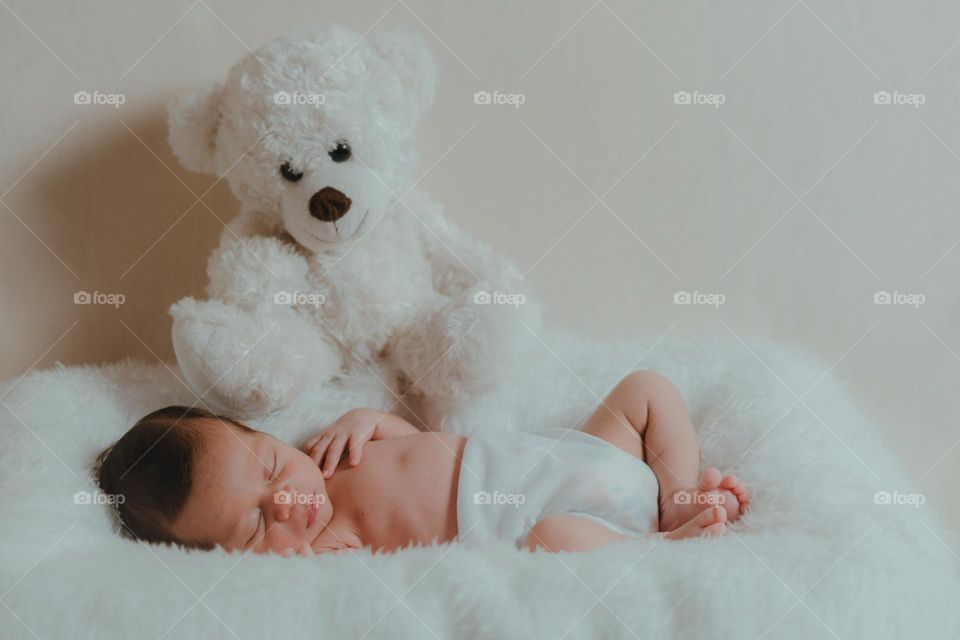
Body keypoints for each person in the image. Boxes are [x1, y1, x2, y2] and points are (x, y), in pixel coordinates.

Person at [95, 371, 750, 556]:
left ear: (266, 436)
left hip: (571, 455)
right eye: (256, 527)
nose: (288, 503)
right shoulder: (329, 544)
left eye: (269, 469)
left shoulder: (329, 451)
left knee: (648, 390)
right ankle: (667, 542)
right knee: (551, 544)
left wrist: (369, 421)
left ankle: (678, 492)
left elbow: (415, 443)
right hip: (553, 514)